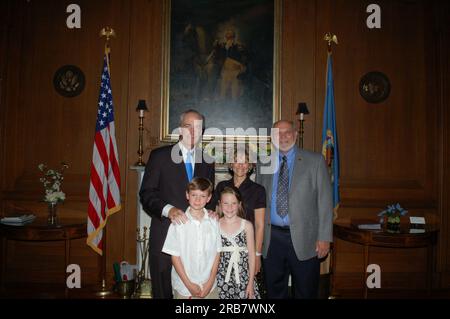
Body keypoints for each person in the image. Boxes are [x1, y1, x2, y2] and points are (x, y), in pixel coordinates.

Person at [139, 109, 215, 299]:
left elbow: (208, 195)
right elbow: (147, 193)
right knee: (163, 290)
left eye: (197, 127)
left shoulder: (208, 160)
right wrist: (168, 209)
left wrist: (214, 212)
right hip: (165, 232)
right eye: (188, 126)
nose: (192, 131)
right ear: (180, 129)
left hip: (196, 241)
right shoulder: (160, 156)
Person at [256, 120, 333, 299]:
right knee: (274, 291)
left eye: (287, 132)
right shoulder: (263, 163)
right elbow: (258, 202)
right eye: (277, 133)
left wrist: (324, 237)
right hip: (272, 239)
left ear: (296, 135)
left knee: (306, 291)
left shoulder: (314, 161)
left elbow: (325, 202)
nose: (282, 137)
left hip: (305, 238)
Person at [211, 148, 266, 281]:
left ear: (251, 166)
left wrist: (257, 254)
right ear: (230, 164)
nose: (240, 165)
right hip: (223, 246)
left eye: (245, 161)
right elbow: (217, 218)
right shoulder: (221, 187)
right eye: (236, 161)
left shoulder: (258, 190)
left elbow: (260, 225)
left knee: (245, 285)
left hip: (247, 248)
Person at [162, 177, 221, 299]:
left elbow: (217, 253)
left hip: (209, 286)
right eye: (194, 195)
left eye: (203, 196)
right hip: (184, 287)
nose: (198, 200)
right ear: (187, 195)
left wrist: (210, 282)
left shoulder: (214, 222)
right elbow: (175, 257)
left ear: (209, 198)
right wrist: (189, 285)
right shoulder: (177, 223)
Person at [216, 186, 260, 299]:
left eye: (234, 203)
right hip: (221, 277)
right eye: (225, 203)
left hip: (243, 276)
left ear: (239, 204)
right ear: (220, 204)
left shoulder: (247, 225)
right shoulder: (214, 225)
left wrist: (250, 283)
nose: (230, 207)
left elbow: (251, 256)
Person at [206, 29, 248, 101]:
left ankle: (234, 99)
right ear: (226, 37)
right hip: (223, 67)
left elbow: (242, 58)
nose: (229, 38)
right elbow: (216, 54)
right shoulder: (222, 46)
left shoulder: (237, 47)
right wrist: (215, 46)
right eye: (228, 36)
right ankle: (212, 96)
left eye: (231, 36)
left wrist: (239, 65)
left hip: (234, 68)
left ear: (233, 37)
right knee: (215, 74)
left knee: (233, 80)